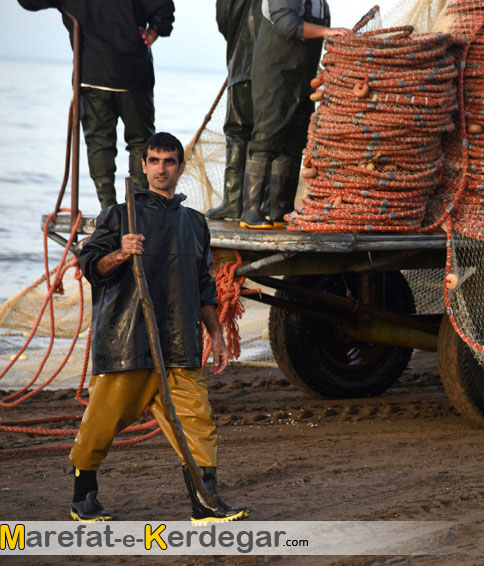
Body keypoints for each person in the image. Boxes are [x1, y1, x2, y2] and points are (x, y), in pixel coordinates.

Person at [72, 132, 247, 523]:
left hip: (181, 343)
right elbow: (89, 267)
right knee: (101, 423)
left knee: (199, 423)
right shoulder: (120, 215)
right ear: (144, 166)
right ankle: (83, 499)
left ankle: (205, 502)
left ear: (181, 168)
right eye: (154, 160)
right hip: (127, 342)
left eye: (169, 161)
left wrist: (216, 335)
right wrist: (122, 252)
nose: (161, 168)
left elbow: (205, 286)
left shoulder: (195, 223)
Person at [18, 0, 175, 211]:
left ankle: (108, 208)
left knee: (99, 142)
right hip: (132, 72)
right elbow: (164, 8)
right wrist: (155, 30)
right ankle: (137, 209)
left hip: (91, 73)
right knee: (140, 141)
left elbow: (28, 2)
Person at [239, 0, 352, 229]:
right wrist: (327, 32)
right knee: (266, 138)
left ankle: (281, 210)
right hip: (275, 76)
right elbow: (285, 23)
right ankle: (251, 212)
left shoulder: (321, 3)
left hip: (302, 80)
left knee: (293, 141)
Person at [208, 0, 263, 220]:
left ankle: (233, 200)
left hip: (243, 65)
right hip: (278, 70)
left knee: (237, 132)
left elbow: (224, 20)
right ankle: (262, 204)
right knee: (267, 137)